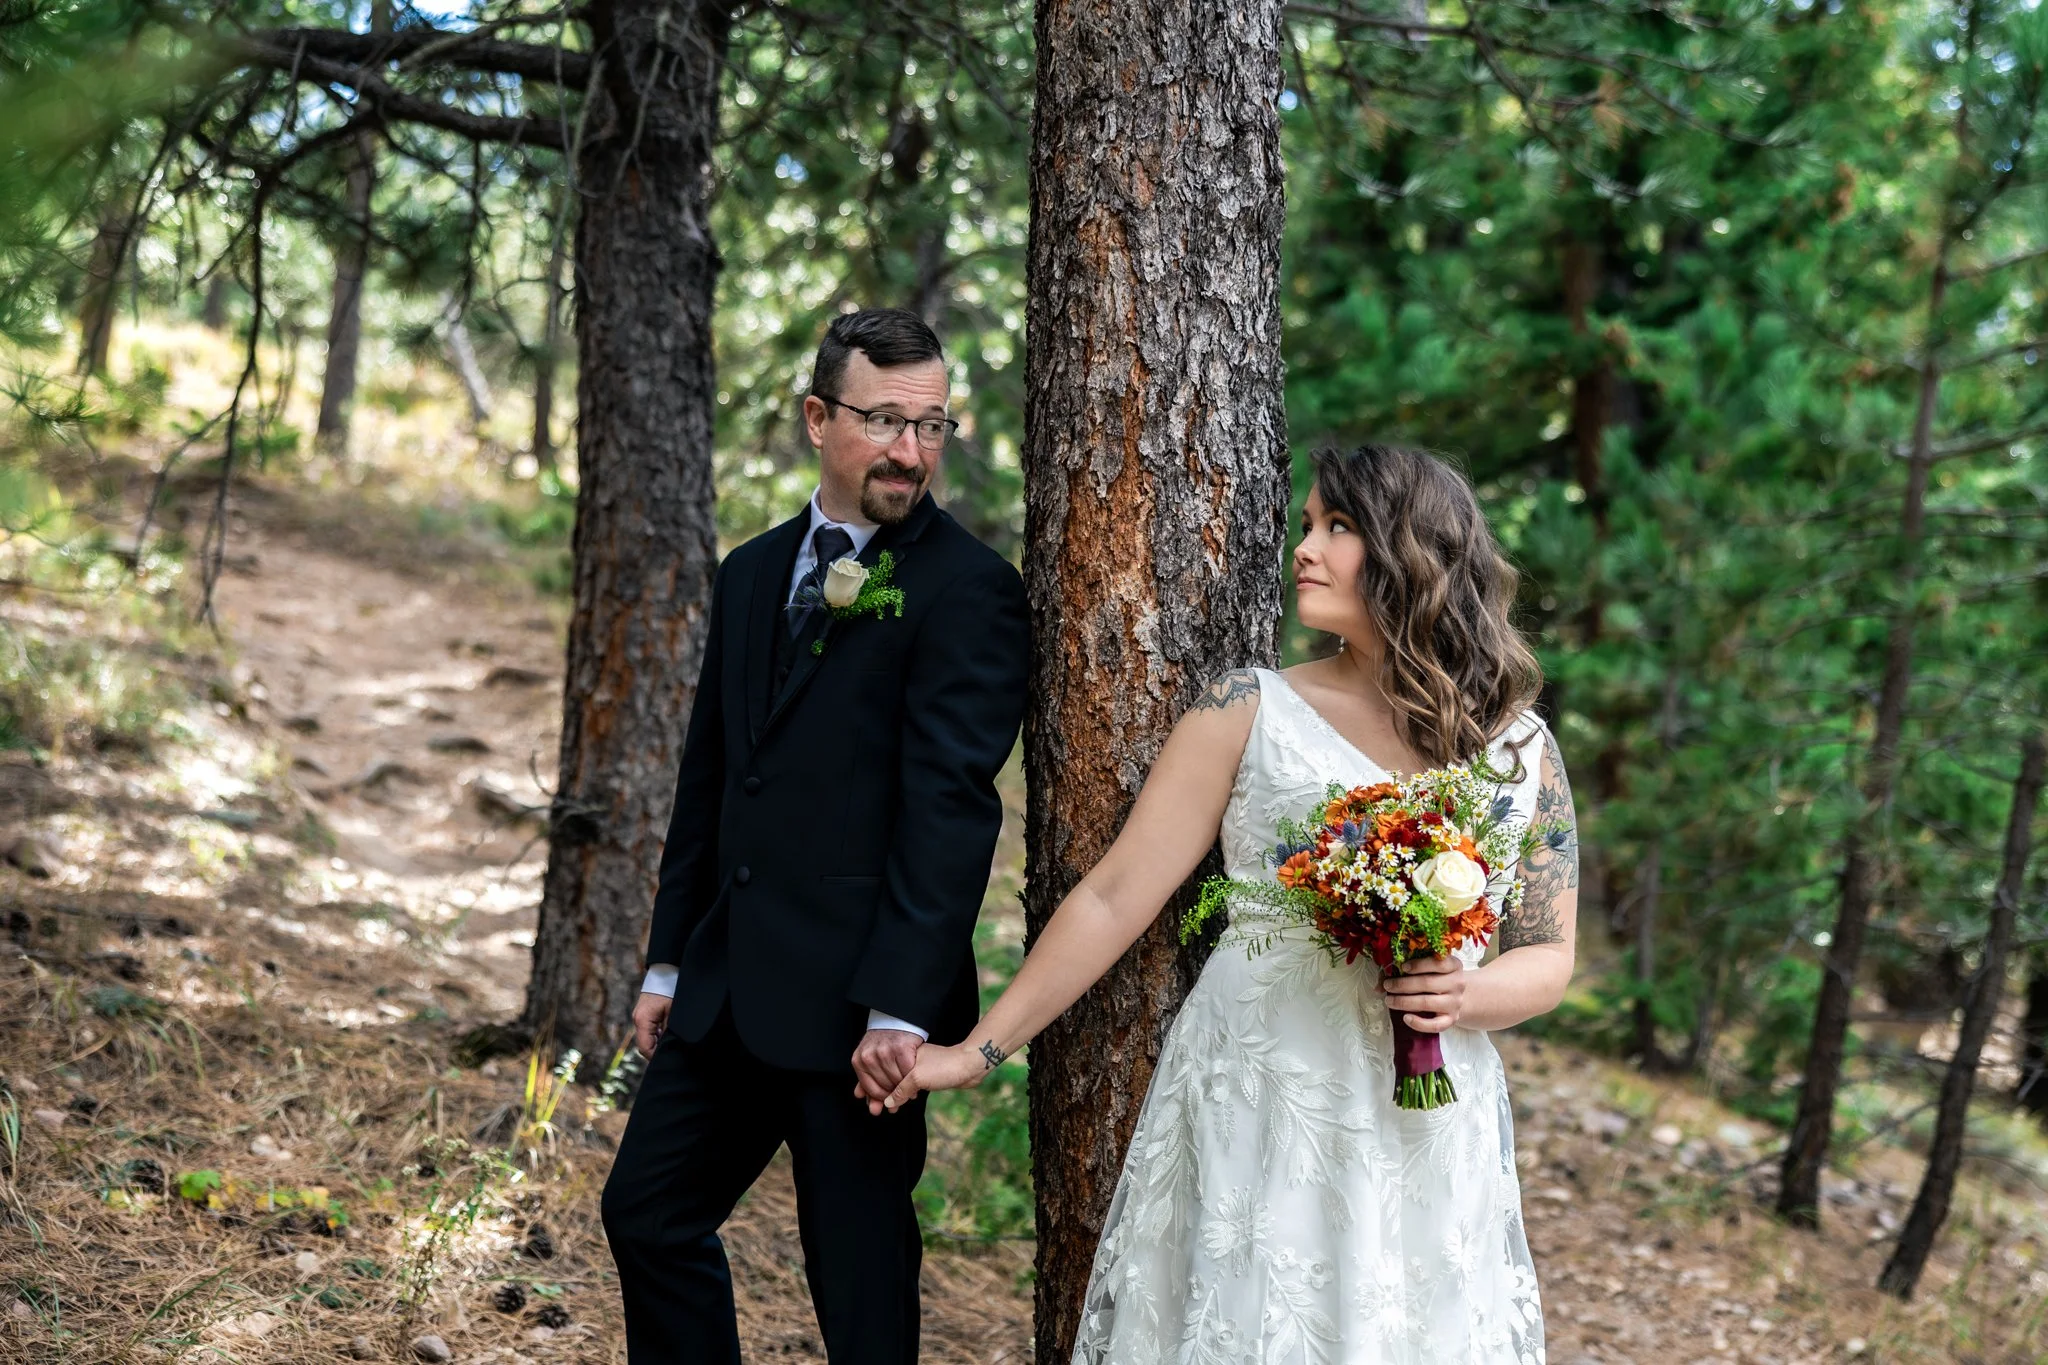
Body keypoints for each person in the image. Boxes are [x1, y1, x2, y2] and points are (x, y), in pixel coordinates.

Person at [893, 443, 1578, 1364]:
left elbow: (1548, 952)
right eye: (1307, 526)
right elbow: (1111, 895)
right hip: (1263, 1086)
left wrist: (1464, 997)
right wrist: (980, 1051)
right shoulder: (1246, 709)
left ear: (1410, 550)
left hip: (1425, 1118)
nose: (1306, 548)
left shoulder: (1516, 748)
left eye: (1338, 528)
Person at [600, 307, 1030, 1364]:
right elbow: (711, 780)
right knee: (645, 1217)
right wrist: (665, 961)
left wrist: (899, 1009)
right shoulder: (749, 572)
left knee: (860, 1288)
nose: (910, 452)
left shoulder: (967, 591)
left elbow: (949, 810)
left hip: (860, 1023)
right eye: (884, 421)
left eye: (931, 427)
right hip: (727, 989)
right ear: (815, 417)